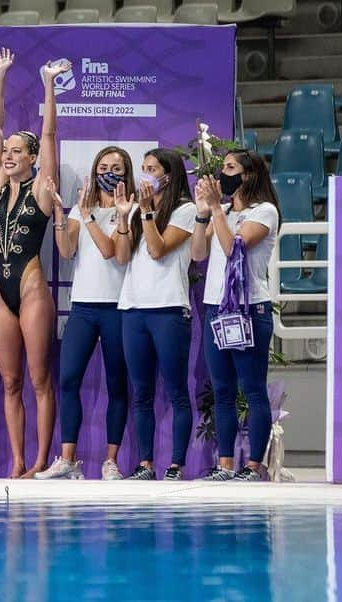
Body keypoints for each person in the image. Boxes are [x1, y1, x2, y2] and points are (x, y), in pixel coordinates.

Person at [0, 49, 70, 478]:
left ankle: (41, 459)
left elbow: (51, 135)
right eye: (6, 151)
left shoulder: (40, 188)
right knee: (10, 383)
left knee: (39, 380)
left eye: (17, 151)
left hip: (30, 286)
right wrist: (0, 75)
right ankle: (18, 461)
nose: (7, 155)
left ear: (32, 158)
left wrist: (49, 85)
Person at [35, 148, 137, 480]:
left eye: (116, 168)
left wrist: (92, 217)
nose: (109, 172)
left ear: (126, 172)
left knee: (116, 384)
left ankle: (110, 461)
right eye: (103, 167)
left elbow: (113, 253)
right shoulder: (83, 208)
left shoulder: (132, 209)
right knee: (67, 380)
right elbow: (66, 250)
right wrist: (61, 214)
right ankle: (68, 460)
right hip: (82, 306)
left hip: (118, 308)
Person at [191, 150, 281, 482]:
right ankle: (225, 464)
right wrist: (204, 216)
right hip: (216, 307)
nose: (223, 173)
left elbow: (233, 250)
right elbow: (198, 254)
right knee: (222, 390)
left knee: (252, 388)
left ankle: (254, 466)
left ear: (249, 175)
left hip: (248, 308)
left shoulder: (265, 212)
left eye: (230, 168)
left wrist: (216, 210)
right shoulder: (224, 212)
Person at [115, 148, 197, 480]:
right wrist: (124, 217)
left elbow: (157, 248)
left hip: (168, 308)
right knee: (141, 392)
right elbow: (122, 257)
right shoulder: (136, 208)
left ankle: (176, 464)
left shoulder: (186, 210)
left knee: (176, 390)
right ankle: (145, 464)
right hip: (133, 308)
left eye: (152, 168)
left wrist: (147, 213)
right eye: (143, 168)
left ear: (169, 174)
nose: (145, 174)